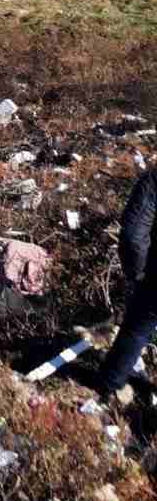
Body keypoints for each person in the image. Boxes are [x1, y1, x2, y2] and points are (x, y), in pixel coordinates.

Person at [96, 170, 157, 405]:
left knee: (137, 329)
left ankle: (108, 390)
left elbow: (133, 235)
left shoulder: (153, 180)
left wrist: (137, 272)